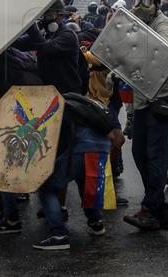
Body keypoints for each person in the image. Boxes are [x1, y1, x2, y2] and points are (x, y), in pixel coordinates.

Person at [121, 0, 168, 231]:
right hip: (143, 99)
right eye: (135, 1)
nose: (139, 6)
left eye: (145, 1)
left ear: (156, 2)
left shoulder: (164, 26)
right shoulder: (135, 25)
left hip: (163, 99)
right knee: (139, 153)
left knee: (156, 155)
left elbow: (163, 53)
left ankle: (150, 208)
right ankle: (158, 205)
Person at [33, 97, 124, 250]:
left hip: (81, 147)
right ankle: (96, 223)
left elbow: (55, 138)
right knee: (84, 182)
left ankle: (59, 235)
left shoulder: (64, 105)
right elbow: (119, 138)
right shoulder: (98, 106)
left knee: (47, 188)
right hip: (101, 149)